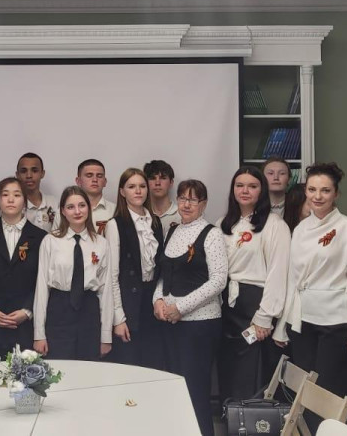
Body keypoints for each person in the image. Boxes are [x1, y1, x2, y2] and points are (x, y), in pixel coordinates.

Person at [275, 162, 347, 434]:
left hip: (337, 321)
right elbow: (292, 281)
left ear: (336, 193)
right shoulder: (301, 228)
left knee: (332, 393)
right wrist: (282, 325)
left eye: (325, 190)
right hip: (303, 321)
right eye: (312, 189)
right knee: (305, 390)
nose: (317, 196)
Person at [153, 180, 227, 436]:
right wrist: (158, 301)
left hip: (200, 327)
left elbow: (218, 281)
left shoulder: (212, 234)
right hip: (171, 324)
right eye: (182, 198)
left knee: (195, 392)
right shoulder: (172, 230)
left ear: (203, 204)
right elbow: (164, 275)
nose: (186, 204)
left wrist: (181, 307)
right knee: (175, 390)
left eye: (193, 200)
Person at [217, 165, 290, 402]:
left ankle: (252, 420)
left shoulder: (274, 225)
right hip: (227, 306)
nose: (245, 190)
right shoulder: (222, 224)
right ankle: (230, 418)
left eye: (252, 186)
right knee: (228, 370)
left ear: (262, 191)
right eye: (240, 185)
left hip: (255, 307)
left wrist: (265, 316)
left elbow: (279, 273)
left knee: (251, 373)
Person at [33, 186, 113, 361]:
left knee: (88, 368)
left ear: (88, 208)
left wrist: (106, 335)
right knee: (60, 369)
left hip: (89, 311)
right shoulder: (50, 241)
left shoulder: (101, 243)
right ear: (63, 211)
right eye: (70, 207)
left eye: (82, 205)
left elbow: (106, 291)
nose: (77, 211)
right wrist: (39, 334)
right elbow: (42, 288)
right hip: (59, 310)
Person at [0, 177, 48, 361]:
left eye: (17, 195)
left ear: (25, 201)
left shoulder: (40, 237)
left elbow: (42, 280)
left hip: (26, 327)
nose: (10, 199)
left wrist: (27, 311)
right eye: (5, 195)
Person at [105, 167, 165, 369]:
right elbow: (112, 276)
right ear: (122, 192)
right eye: (131, 187)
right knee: (129, 365)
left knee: (153, 363)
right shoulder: (115, 224)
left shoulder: (155, 222)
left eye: (142, 186)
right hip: (128, 303)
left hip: (152, 301)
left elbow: (160, 268)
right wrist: (118, 318)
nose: (138, 191)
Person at [17, 152, 59, 232]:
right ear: (17, 175)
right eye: (24, 171)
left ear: (42, 173)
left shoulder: (54, 202)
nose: (29, 175)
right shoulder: (13, 205)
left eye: (34, 170)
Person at [75, 159, 115, 234]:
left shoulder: (116, 211)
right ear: (78, 181)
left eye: (99, 176)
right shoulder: (64, 212)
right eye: (89, 175)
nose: (95, 180)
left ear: (105, 182)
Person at [144, 159, 181, 235]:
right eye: (152, 178)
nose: (157, 183)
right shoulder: (140, 214)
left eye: (163, 178)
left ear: (171, 183)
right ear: (145, 183)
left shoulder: (181, 215)